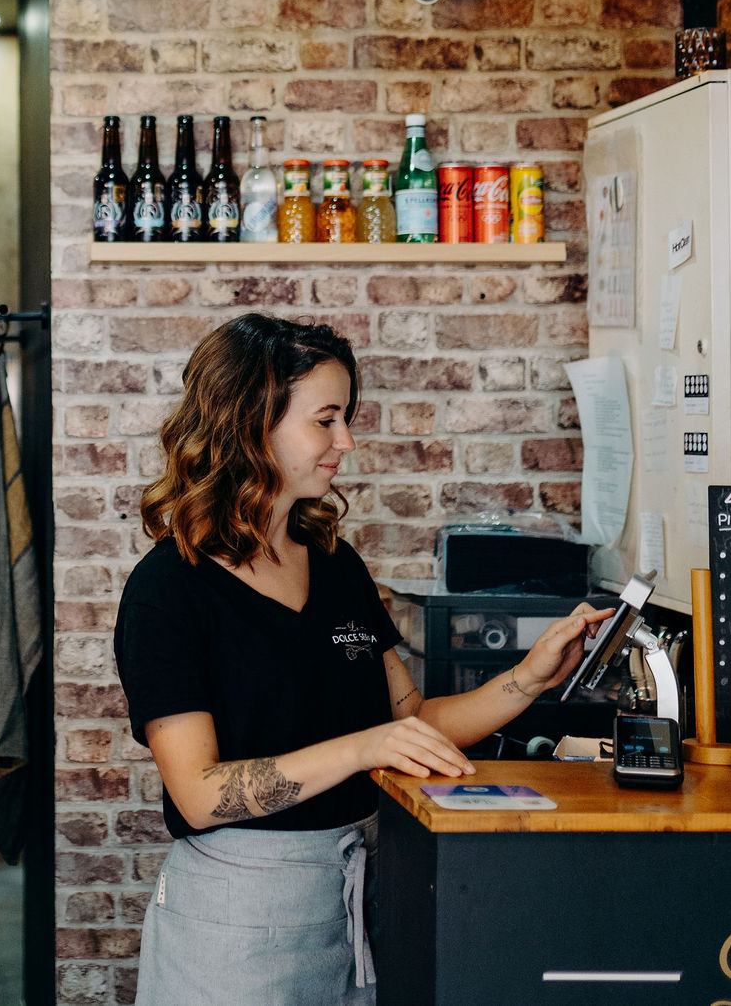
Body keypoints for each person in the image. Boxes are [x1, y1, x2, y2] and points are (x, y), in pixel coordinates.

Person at [113, 314, 609, 1004]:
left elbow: (413, 721)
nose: (345, 440)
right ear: (251, 422)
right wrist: (361, 748)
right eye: (326, 420)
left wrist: (527, 679)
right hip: (238, 917)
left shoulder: (335, 564)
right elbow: (199, 794)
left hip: (361, 894)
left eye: (345, 418)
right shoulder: (168, 589)